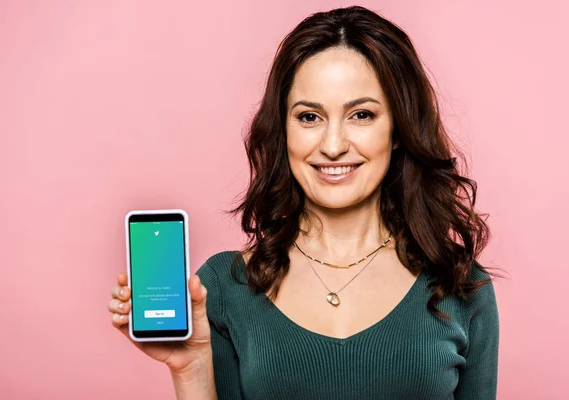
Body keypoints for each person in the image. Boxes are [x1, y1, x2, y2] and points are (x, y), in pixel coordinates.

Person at [108, 5, 500, 399]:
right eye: (309, 117)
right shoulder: (226, 286)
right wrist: (191, 368)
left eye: (361, 114)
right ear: (284, 130)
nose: (332, 146)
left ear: (398, 129)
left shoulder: (461, 285)